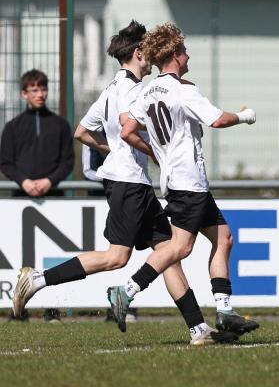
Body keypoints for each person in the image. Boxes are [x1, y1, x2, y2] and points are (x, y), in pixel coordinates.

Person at [12, 21, 237, 345]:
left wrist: (114, 148)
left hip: (134, 182)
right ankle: (37, 279)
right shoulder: (133, 90)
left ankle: (198, 329)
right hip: (128, 183)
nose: (151, 58)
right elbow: (125, 126)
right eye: (147, 53)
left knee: (168, 251)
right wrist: (147, 151)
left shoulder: (111, 89)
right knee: (117, 257)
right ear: (138, 53)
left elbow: (82, 132)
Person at [109, 22, 258, 337]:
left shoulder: (147, 90)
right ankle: (126, 290)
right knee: (179, 247)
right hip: (188, 181)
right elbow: (217, 119)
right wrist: (245, 116)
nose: (188, 55)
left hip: (182, 181)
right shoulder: (184, 91)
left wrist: (156, 153)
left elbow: (126, 131)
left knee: (223, 238)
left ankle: (225, 311)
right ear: (175, 55)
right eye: (184, 51)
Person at [1, 69, 74, 197]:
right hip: (20, 195)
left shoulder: (61, 125)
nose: (40, 95)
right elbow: (6, 163)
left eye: (44, 89)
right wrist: (23, 182)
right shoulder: (12, 127)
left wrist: (49, 181)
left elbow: (67, 162)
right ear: (24, 94)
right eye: (34, 90)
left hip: (55, 195)